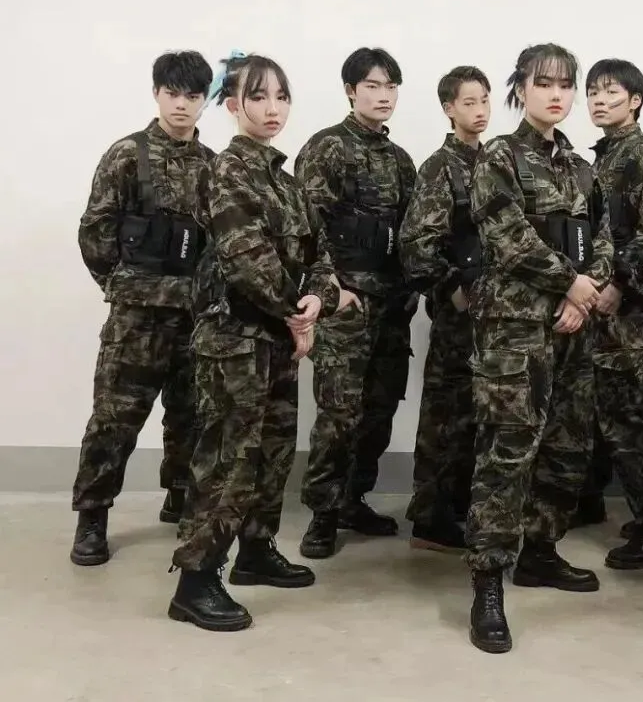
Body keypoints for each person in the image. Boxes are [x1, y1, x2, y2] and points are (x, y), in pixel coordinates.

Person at [168, 53, 341, 632]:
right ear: (233, 104)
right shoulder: (226, 172)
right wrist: (297, 314)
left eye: (281, 97)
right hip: (234, 341)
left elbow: (321, 255)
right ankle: (195, 581)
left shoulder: (286, 183)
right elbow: (248, 259)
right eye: (259, 97)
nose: (273, 109)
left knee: (272, 451)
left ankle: (256, 551)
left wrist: (316, 298)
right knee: (227, 459)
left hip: (277, 341)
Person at [465, 43, 613, 654]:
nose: (556, 94)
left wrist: (587, 291)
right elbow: (506, 236)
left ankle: (541, 551)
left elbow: (604, 237)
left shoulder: (581, 168)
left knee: (566, 445)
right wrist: (569, 282)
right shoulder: (499, 155)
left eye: (565, 85)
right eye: (543, 83)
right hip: (515, 331)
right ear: (520, 89)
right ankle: (487, 584)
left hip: (573, 327)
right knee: (507, 453)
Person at [70, 51, 215, 566]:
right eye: (173, 93)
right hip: (136, 317)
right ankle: (92, 516)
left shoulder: (213, 164)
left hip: (193, 316)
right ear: (156, 93)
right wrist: (122, 284)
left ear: (205, 101)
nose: (182, 105)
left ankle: (180, 495)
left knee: (192, 415)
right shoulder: (128, 156)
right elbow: (96, 230)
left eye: (193, 96)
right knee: (115, 419)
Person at [296, 47, 418, 559]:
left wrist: (410, 289)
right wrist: (332, 289)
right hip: (346, 304)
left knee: (379, 410)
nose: (383, 95)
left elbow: (412, 232)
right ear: (350, 91)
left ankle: (353, 498)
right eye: (372, 85)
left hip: (391, 305)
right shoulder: (327, 148)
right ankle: (322, 514)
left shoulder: (401, 160)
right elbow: (306, 228)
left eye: (390, 86)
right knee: (339, 415)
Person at [583, 58, 643, 570]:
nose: (599, 101)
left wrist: (620, 286)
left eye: (611, 92)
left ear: (636, 100)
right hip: (593, 305)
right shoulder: (600, 158)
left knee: (635, 418)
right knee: (606, 414)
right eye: (593, 93)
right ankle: (637, 512)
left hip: (626, 310)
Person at [400, 65, 492, 552]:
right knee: (446, 415)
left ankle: (460, 505)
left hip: (497, 315)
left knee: (481, 415)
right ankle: (430, 516)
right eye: (468, 102)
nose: (479, 110)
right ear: (449, 109)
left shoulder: (498, 161)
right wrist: (452, 288)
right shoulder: (440, 167)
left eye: (484, 100)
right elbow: (417, 243)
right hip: (459, 316)